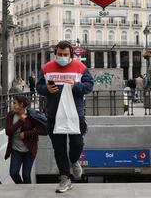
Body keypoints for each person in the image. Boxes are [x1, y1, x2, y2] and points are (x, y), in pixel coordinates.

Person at [36, 40, 94, 193]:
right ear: (55, 54)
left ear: (71, 55)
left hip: (75, 114)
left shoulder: (80, 67)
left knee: (77, 143)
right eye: (59, 54)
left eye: (65, 55)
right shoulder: (47, 68)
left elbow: (89, 86)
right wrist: (46, 88)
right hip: (53, 114)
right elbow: (38, 87)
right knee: (58, 148)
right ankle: (64, 178)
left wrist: (75, 85)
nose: (62, 57)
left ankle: (74, 161)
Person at [5, 95, 43, 184]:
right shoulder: (10, 115)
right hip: (15, 149)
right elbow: (8, 131)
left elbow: (42, 130)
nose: (12, 105)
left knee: (26, 175)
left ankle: (28, 193)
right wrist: (20, 121)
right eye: (12, 103)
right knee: (13, 173)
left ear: (21, 105)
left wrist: (26, 134)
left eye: (14, 103)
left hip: (29, 150)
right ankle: (22, 188)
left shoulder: (31, 115)